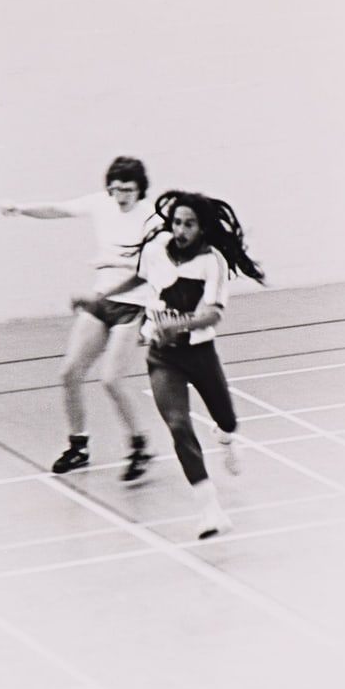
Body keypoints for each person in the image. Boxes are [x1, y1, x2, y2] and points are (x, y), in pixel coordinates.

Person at [72, 190, 265, 539]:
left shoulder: (213, 262)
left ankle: (225, 437)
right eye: (177, 222)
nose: (181, 230)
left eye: (189, 224)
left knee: (227, 420)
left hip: (200, 355)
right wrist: (99, 298)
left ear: (202, 228)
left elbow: (212, 316)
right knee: (178, 425)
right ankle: (210, 510)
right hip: (164, 358)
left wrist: (175, 324)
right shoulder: (156, 249)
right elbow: (139, 279)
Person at [0, 156, 161, 480]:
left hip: (132, 307)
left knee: (112, 380)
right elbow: (59, 209)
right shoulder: (102, 204)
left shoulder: (153, 221)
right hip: (101, 303)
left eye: (127, 189)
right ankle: (78, 446)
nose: (120, 196)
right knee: (70, 372)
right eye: (115, 189)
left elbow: (148, 273)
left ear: (140, 188)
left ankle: (140, 445)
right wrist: (20, 208)